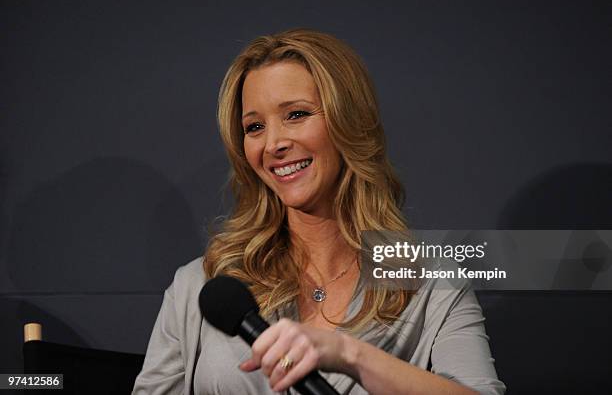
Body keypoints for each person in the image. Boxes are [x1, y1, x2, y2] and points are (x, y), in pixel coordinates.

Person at [132, 29, 506, 395]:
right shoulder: (201, 285)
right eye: (255, 126)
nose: (274, 143)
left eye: (296, 114)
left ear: (349, 120)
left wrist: (351, 355)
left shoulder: (429, 282)